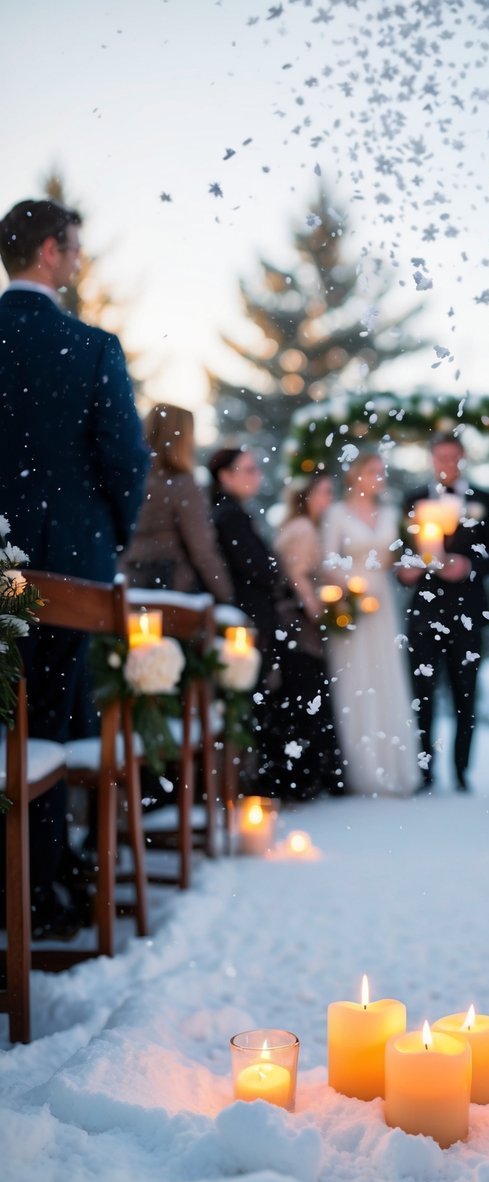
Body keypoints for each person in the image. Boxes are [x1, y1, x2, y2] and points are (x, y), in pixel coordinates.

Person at [0, 198, 148, 938]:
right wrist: (106, 537)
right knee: (47, 719)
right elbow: (125, 462)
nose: (80, 259)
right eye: (76, 248)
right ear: (52, 252)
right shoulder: (90, 348)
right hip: (62, 568)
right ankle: (38, 892)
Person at [399, 433, 489, 792]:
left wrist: (469, 565)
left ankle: (462, 771)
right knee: (423, 694)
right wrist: (407, 570)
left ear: (463, 459)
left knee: (466, 694)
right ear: (431, 460)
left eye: (453, 458)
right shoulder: (413, 500)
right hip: (424, 612)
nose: (446, 465)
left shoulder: (484, 500)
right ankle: (425, 771)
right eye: (440, 458)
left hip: (467, 611)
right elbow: (398, 553)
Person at [322, 451, 420, 797]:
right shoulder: (337, 513)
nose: (379, 477)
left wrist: (410, 563)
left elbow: (400, 559)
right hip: (353, 605)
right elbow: (328, 560)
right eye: (372, 471)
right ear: (355, 475)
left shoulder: (393, 514)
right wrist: (351, 586)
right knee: (355, 680)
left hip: (385, 604)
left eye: (382, 471)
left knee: (386, 679)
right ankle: (360, 769)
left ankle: (393, 767)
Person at [209, 447, 291, 794]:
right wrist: (277, 574)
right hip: (247, 619)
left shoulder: (233, 512)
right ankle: (248, 785)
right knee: (249, 701)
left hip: (252, 616)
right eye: (248, 469)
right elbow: (259, 567)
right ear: (225, 476)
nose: (256, 475)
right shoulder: (229, 515)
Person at [274, 471, 344, 799]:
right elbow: (297, 573)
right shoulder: (303, 529)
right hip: (298, 625)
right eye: (324, 492)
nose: (328, 499)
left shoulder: (303, 527)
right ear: (308, 496)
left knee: (304, 699)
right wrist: (316, 606)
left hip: (297, 624)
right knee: (306, 698)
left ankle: (308, 774)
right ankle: (305, 777)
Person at [122, 404, 233, 601]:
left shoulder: (133, 479)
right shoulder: (182, 484)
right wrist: (227, 595)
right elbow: (202, 549)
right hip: (171, 592)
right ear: (183, 438)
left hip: (130, 585)